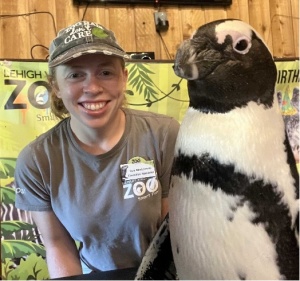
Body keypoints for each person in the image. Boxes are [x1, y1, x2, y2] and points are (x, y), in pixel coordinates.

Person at [14, 20, 180, 278]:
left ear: (123, 78)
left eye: (105, 73)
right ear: (55, 86)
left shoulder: (163, 135)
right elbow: (58, 244)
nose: (92, 88)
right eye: (75, 74)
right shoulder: (36, 160)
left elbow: (176, 233)